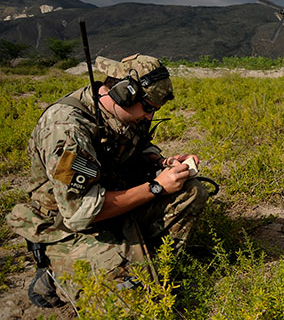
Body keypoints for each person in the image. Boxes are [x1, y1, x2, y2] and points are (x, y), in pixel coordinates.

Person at [6, 53, 208, 308]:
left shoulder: (124, 112)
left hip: (115, 200)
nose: (149, 117)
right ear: (123, 94)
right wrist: (156, 187)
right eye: (148, 108)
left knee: (191, 191)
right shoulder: (66, 130)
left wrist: (160, 162)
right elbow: (80, 213)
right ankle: (55, 273)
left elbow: (138, 145)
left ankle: (148, 261)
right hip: (70, 225)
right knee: (130, 304)